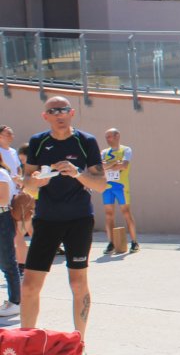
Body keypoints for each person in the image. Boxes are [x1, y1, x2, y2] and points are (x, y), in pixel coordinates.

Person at [20, 96, 107, 342]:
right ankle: (26, 344)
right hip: (46, 220)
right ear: (45, 116)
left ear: (71, 113)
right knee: (29, 286)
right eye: (53, 111)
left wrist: (77, 173)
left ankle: (80, 343)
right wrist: (37, 181)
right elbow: (27, 183)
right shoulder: (38, 142)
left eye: (64, 110)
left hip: (79, 220)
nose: (59, 114)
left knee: (78, 283)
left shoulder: (86, 141)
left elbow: (101, 184)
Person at [101, 128, 140, 254]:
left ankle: (134, 242)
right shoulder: (104, 152)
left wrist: (109, 165)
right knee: (108, 215)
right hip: (107, 187)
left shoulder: (126, 150)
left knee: (126, 213)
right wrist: (114, 163)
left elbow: (124, 165)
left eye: (109, 136)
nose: (107, 139)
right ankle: (111, 243)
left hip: (121, 187)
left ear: (117, 136)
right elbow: (100, 167)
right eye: (106, 137)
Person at [0, 125, 28, 272]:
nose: (12, 136)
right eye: (8, 134)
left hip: (14, 198)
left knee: (17, 233)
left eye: (12, 133)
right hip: (2, 199)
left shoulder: (13, 152)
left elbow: (18, 170)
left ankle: (21, 265)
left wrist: (20, 183)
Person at [0, 154, 21, 318]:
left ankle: (16, 302)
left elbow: (3, 200)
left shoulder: (1, 174)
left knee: (8, 263)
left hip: (2, 219)